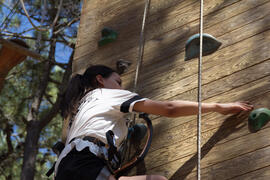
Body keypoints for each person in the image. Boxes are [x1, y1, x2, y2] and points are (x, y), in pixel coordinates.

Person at [55, 65, 253, 180]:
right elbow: (169, 108)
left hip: (70, 169)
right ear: (100, 79)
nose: (120, 87)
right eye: (118, 81)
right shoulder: (106, 94)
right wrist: (218, 106)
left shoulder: (78, 109)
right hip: (84, 167)